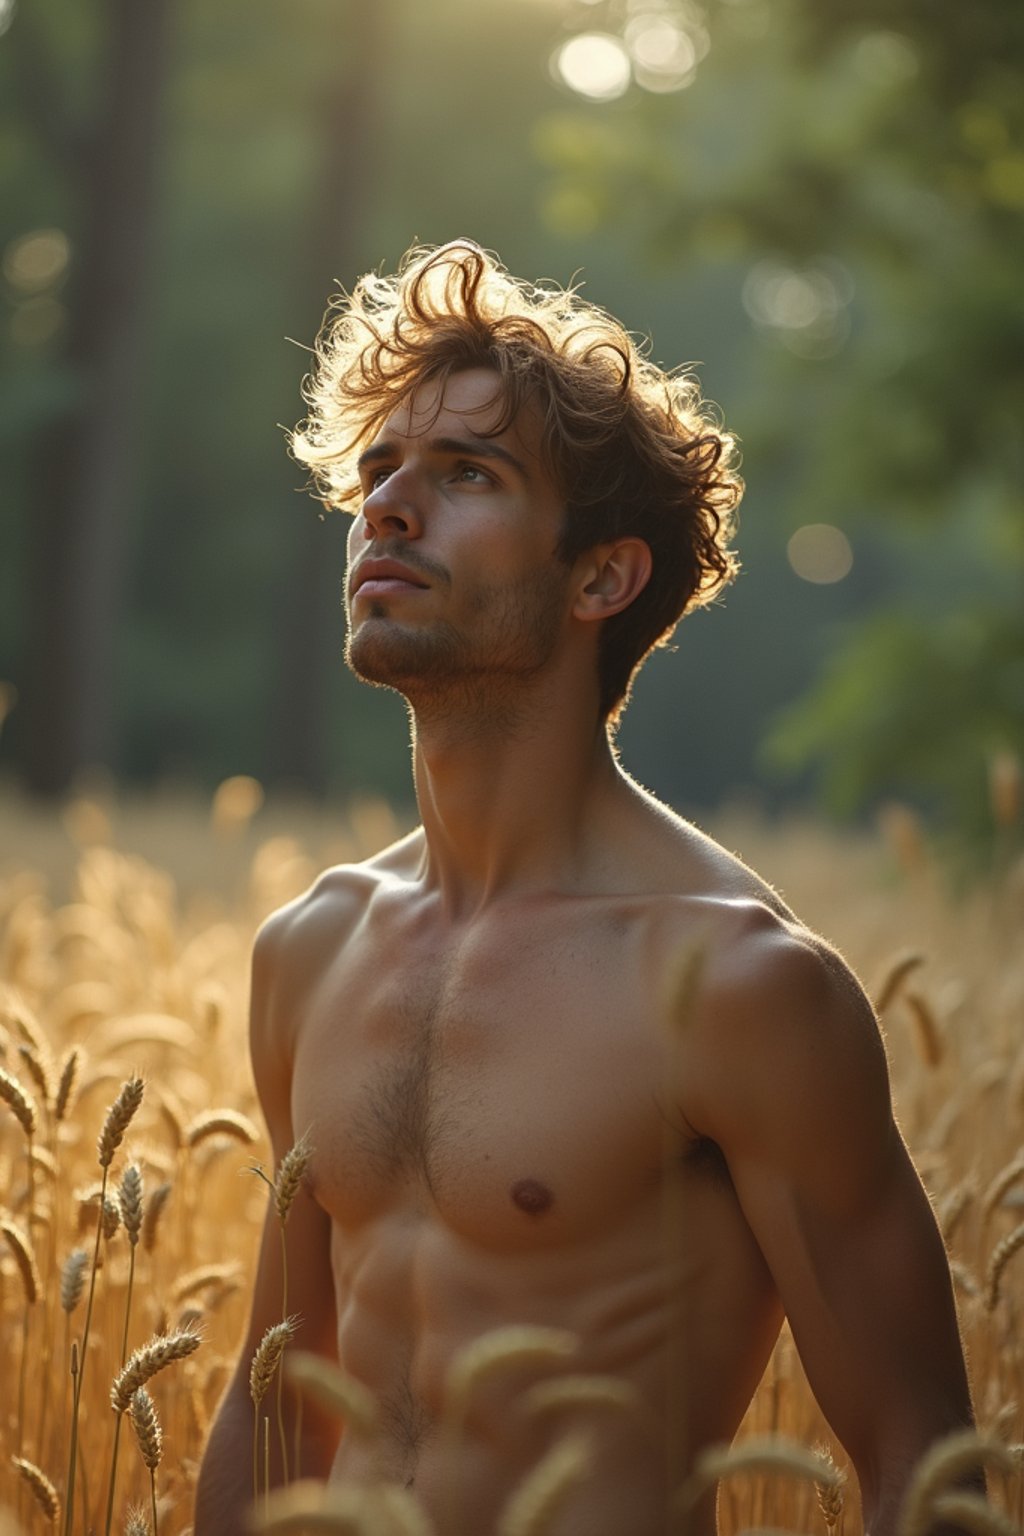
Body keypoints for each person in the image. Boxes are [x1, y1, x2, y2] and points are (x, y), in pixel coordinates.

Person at [194, 240, 976, 1536]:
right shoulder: (312, 951)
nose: (389, 507)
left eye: (466, 475)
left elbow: (924, 1469)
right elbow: (274, 1406)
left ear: (601, 576)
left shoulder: (737, 989)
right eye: (378, 470)